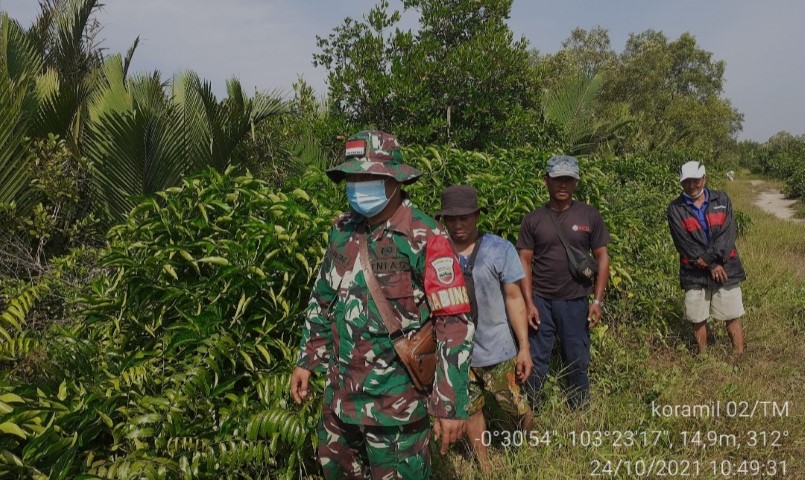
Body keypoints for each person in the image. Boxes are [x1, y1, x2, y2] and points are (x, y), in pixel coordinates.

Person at [290, 131, 475, 479]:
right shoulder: (342, 231)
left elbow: (454, 324)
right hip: (340, 400)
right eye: (353, 177)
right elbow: (323, 298)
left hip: (396, 409)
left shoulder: (425, 237)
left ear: (394, 178)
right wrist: (307, 359)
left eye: (368, 177)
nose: (358, 185)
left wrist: (449, 403)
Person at [436, 185, 533, 476]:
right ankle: (484, 463)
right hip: (458, 354)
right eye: (451, 219)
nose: (458, 224)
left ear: (477, 216)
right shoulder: (435, 252)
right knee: (471, 409)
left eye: (465, 217)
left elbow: (515, 299)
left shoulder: (498, 248)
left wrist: (524, 347)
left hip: (497, 348)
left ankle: (530, 446)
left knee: (516, 407)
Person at [516, 155, 611, 409]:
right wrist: (529, 302)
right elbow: (524, 260)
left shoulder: (590, 216)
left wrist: (597, 300)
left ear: (576, 183)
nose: (563, 185)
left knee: (577, 359)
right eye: (557, 179)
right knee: (536, 358)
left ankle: (579, 409)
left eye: (568, 180)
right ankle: (532, 411)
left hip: (576, 301)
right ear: (546, 181)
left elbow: (602, 258)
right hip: (541, 301)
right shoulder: (533, 219)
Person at [667, 160, 746, 354]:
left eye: (696, 180)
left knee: (732, 315)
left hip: (726, 267)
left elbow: (728, 235)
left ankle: (739, 356)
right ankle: (703, 356)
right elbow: (683, 243)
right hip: (694, 272)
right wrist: (710, 266)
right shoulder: (675, 208)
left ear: (704, 178)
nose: (692, 185)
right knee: (697, 318)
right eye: (686, 181)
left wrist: (713, 260)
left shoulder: (722, 199)